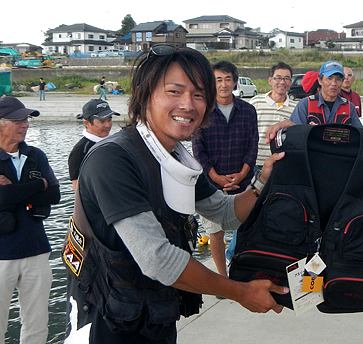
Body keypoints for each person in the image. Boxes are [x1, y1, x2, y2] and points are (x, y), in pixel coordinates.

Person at [63, 46, 287, 343]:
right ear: (144, 93)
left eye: (198, 95)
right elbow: (158, 259)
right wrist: (241, 292)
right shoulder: (113, 159)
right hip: (106, 321)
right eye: (174, 91)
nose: (188, 105)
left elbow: (224, 213)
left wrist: (263, 181)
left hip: (155, 314)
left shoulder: (175, 159)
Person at [0, 96, 60, 343]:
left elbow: (55, 194)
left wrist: (13, 190)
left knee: (37, 324)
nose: (25, 124)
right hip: (2, 255)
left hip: (36, 250)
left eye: (25, 119)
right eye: (18, 120)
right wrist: (38, 186)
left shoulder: (36, 154)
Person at [192, 60, 258, 279]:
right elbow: (198, 149)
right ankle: (222, 276)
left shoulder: (248, 111)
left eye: (228, 79)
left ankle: (244, 271)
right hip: (211, 184)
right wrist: (215, 177)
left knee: (246, 228)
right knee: (215, 232)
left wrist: (241, 173)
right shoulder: (202, 111)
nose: (223, 84)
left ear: (235, 82)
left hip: (243, 181)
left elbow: (252, 145)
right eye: (218, 79)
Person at [250, 62, 296, 171]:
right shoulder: (256, 102)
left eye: (286, 78)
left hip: (282, 163)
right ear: (270, 80)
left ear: (290, 82)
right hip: (255, 162)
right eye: (278, 78)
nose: (282, 82)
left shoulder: (296, 107)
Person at [289, 61, 362, 127]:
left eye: (338, 79)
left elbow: (360, 135)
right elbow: (296, 134)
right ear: (320, 81)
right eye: (329, 78)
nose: (334, 83)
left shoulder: (349, 107)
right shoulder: (305, 105)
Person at [68, 99, 120, 190]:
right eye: (102, 121)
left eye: (110, 119)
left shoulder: (118, 142)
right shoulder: (80, 150)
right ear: (87, 123)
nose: (107, 125)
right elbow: (78, 188)